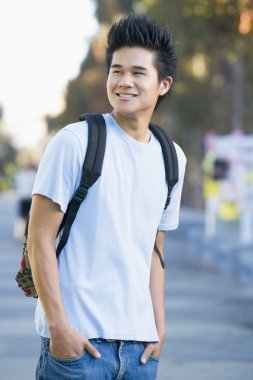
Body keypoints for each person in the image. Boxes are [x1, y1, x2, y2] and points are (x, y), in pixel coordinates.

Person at [28, 13, 186, 380]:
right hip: (78, 348)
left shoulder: (172, 157)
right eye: (116, 71)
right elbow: (40, 239)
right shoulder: (75, 141)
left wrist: (159, 327)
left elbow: (155, 249)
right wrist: (59, 329)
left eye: (137, 73)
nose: (124, 82)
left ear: (163, 84)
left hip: (140, 353)